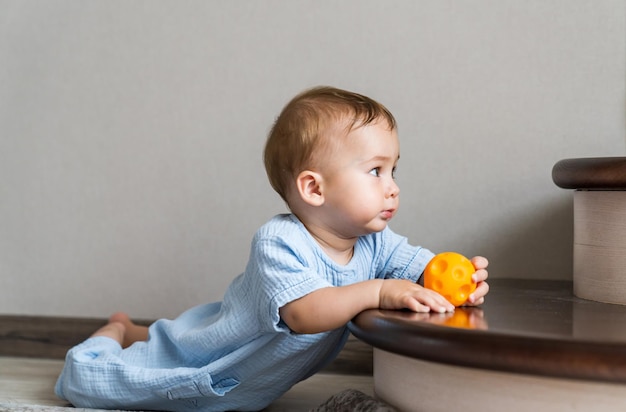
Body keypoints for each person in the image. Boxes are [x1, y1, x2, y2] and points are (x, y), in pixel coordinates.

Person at [55, 86, 489, 412]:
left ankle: (137, 330)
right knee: (85, 380)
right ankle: (113, 332)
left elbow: (418, 271)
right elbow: (304, 313)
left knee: (178, 333)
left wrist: (459, 280)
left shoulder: (375, 243)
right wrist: (378, 292)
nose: (392, 187)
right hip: (211, 360)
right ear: (314, 188)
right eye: (376, 171)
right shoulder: (278, 241)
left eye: (394, 169)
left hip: (245, 379)